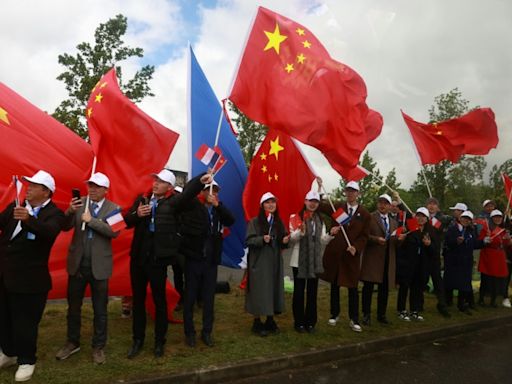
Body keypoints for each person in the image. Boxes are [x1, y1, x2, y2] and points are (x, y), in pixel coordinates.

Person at [124, 169, 212, 358]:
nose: (155, 183)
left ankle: (159, 342)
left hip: (159, 261)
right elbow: (126, 221)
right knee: (138, 302)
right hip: (139, 259)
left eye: (161, 181)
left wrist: (200, 180)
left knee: (159, 302)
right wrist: (137, 214)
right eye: (155, 179)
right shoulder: (142, 200)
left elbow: (188, 193)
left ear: (169, 187)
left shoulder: (173, 204)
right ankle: (137, 340)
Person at [0, 170, 64, 382]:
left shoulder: (54, 213)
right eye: (28, 184)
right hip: (6, 274)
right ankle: (8, 353)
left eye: (34, 185)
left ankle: (27, 360)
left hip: (30, 280)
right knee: (5, 318)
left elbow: (49, 232)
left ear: (46, 192)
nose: (28, 188)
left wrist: (28, 220)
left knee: (25, 322)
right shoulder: (16, 205)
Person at [55, 173, 121, 364]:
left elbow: (114, 232)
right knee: (73, 307)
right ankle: (72, 342)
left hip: (99, 266)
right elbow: (64, 227)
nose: (92, 189)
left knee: (100, 309)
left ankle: (98, 346)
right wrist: (68, 211)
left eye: (96, 186)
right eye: (90, 185)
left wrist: (91, 220)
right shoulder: (80, 203)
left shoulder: (114, 208)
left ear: (105, 190)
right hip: (77, 264)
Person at [180, 180, 234, 347]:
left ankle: (207, 331)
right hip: (194, 258)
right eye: (209, 190)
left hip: (211, 260)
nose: (213, 193)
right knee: (189, 297)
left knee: (209, 298)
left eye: (216, 191)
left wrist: (217, 206)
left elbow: (231, 220)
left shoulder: (219, 208)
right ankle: (189, 333)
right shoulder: (193, 205)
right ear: (201, 192)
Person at [321, 181, 370, 332]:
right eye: (348, 191)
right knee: (335, 285)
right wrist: (319, 189)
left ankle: (354, 318)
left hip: (351, 255)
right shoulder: (338, 207)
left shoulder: (365, 214)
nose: (350, 193)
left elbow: (365, 236)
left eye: (353, 191)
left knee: (352, 288)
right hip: (336, 253)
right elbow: (322, 206)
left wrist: (356, 247)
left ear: (358, 194)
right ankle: (334, 314)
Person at [289, 190, 334, 333]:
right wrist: (300, 232)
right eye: (310, 201)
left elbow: (322, 240)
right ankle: (299, 322)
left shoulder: (320, 219)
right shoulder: (296, 217)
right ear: (305, 201)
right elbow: (291, 239)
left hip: (314, 261)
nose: (313, 204)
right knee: (299, 292)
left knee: (312, 292)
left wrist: (331, 235)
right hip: (299, 261)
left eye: (315, 201)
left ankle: (311, 322)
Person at [246, 192, 290, 336]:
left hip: (274, 261)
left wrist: (285, 241)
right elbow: (249, 241)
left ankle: (270, 319)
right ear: (262, 205)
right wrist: (261, 239)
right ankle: (257, 321)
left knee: (273, 289)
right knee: (259, 290)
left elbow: (282, 242)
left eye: (273, 202)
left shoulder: (278, 222)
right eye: (267, 202)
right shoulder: (255, 222)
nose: (271, 205)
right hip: (259, 262)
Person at [360, 194, 403, 325]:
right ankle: (366, 315)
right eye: (380, 202)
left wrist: (400, 240)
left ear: (390, 206)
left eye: (385, 203)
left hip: (387, 260)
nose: (382, 205)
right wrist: (375, 239)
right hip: (373, 259)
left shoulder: (394, 222)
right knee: (368, 288)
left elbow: (395, 243)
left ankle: (381, 314)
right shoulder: (370, 217)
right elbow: (364, 235)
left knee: (384, 289)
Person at [396, 207, 436, 321]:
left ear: (427, 218)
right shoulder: (409, 228)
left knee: (417, 288)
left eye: (423, 216)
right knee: (404, 287)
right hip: (408, 263)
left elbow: (434, 250)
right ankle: (401, 310)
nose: (420, 218)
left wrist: (428, 245)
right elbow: (400, 246)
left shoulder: (430, 231)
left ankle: (415, 310)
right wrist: (402, 239)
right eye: (418, 215)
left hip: (421, 264)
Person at [443, 211, 483, 314]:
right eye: (464, 218)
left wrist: (484, 242)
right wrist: (456, 242)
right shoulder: (452, 229)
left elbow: (474, 244)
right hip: (453, 261)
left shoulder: (470, 231)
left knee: (464, 285)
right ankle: (447, 302)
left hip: (466, 262)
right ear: (460, 218)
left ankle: (461, 304)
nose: (466, 220)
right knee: (450, 283)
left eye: (468, 219)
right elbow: (447, 243)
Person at [425, 197, 451, 318]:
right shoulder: (422, 216)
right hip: (423, 253)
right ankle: (418, 305)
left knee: (438, 282)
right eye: (429, 204)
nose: (431, 206)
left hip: (435, 253)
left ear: (437, 206)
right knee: (421, 280)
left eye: (434, 204)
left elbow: (444, 226)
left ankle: (442, 305)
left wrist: (433, 220)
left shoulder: (442, 218)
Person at [478, 209, 510, 307]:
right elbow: (480, 240)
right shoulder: (486, 229)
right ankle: (481, 299)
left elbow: (505, 244)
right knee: (485, 278)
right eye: (495, 217)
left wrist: (507, 239)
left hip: (499, 256)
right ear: (492, 218)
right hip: (488, 255)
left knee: (496, 280)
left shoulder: (503, 230)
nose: (497, 219)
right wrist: (486, 239)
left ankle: (493, 300)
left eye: (499, 217)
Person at [444, 202, 468, 306]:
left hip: (462, 258)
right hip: (450, 255)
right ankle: (448, 300)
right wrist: (455, 241)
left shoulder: (469, 226)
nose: (454, 212)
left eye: (457, 210)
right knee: (449, 279)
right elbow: (447, 239)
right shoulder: (451, 223)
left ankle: (461, 302)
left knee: (461, 280)